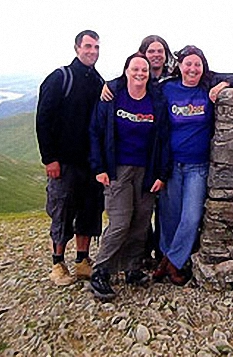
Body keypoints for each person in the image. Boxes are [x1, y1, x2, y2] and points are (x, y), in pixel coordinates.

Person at [153, 45, 233, 285]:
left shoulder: (207, 84)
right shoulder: (167, 89)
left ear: (203, 66)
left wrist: (224, 85)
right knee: (169, 218)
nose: (192, 68)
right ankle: (169, 259)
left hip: (197, 167)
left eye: (197, 64)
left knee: (191, 216)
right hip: (171, 165)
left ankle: (171, 263)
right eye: (188, 63)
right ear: (179, 66)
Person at [88, 53, 170, 299]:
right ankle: (101, 270)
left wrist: (161, 174)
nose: (140, 73)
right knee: (120, 222)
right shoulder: (112, 97)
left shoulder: (156, 100)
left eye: (144, 70)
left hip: (147, 170)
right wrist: (99, 167)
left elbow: (164, 139)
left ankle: (132, 268)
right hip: (118, 169)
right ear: (126, 71)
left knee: (141, 222)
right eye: (135, 69)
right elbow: (95, 132)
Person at [36, 30, 105, 286]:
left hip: (91, 163)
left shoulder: (98, 82)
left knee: (89, 211)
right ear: (77, 48)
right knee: (62, 211)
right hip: (63, 162)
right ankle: (57, 263)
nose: (93, 51)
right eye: (88, 46)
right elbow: (43, 119)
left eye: (96, 47)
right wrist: (49, 158)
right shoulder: (59, 78)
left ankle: (82, 261)